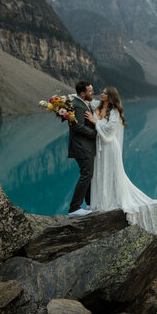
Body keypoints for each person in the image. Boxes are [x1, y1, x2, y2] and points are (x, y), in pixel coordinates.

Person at [85, 87, 157, 236]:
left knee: (111, 173)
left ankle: (110, 200)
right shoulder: (96, 105)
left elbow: (110, 130)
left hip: (110, 147)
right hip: (99, 146)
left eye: (104, 93)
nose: (101, 94)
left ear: (109, 97)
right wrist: (64, 101)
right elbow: (82, 100)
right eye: (101, 92)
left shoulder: (114, 112)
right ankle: (101, 201)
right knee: (99, 172)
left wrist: (94, 122)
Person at [67, 81, 96, 217]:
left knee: (88, 174)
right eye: (90, 91)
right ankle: (74, 208)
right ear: (82, 94)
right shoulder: (78, 106)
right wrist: (96, 133)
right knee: (86, 174)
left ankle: (90, 203)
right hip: (82, 147)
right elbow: (77, 127)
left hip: (84, 146)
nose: (93, 93)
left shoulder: (82, 103)